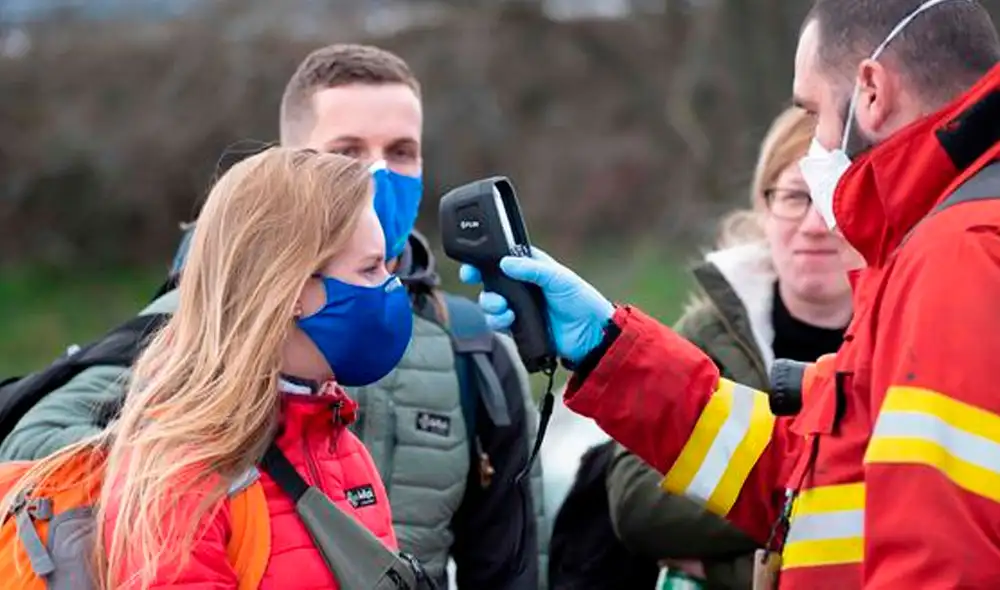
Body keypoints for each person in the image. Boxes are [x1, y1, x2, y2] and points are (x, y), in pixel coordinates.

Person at [461, 1, 1000, 588]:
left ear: (871, 90)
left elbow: (944, 560)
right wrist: (607, 347)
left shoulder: (957, 253)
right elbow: (804, 470)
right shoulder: (938, 247)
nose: (815, 147)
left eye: (813, 111)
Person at [0, 43, 542, 590]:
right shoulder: (182, 337)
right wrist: (193, 452)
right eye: (348, 151)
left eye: (401, 152)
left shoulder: (471, 350)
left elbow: (515, 560)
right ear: (293, 164)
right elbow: (40, 445)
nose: (379, 174)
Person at [3, 147, 407, 588]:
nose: (391, 286)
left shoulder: (341, 444)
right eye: (370, 269)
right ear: (289, 287)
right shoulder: (182, 478)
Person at [604, 106, 851, 590]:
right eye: (794, 197)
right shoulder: (705, 338)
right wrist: (828, 505)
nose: (813, 224)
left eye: (830, 197)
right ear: (763, 209)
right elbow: (637, 501)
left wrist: (724, 566)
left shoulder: (906, 334)